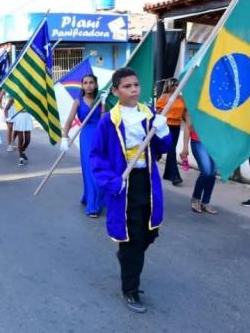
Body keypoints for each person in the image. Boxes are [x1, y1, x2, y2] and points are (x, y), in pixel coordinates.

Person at [89, 67, 170, 313]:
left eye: (136, 85)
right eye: (127, 86)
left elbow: (161, 148)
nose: (134, 89)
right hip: (124, 186)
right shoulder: (108, 121)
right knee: (132, 239)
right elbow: (96, 157)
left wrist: (163, 130)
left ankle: (126, 258)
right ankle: (130, 289)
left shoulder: (148, 114)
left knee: (149, 233)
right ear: (115, 91)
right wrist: (113, 181)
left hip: (147, 182)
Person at [61, 74, 105, 218]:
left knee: (99, 168)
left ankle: (89, 197)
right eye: (85, 83)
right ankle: (92, 206)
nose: (88, 85)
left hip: (100, 136)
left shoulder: (100, 101)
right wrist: (64, 137)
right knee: (89, 169)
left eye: (91, 82)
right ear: (82, 86)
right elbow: (69, 120)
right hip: (86, 136)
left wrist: (103, 104)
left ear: (96, 85)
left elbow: (104, 121)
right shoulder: (77, 101)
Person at [180, 112, 218, 214]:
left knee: (213, 172)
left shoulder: (217, 104)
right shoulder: (194, 105)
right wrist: (185, 148)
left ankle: (205, 202)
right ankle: (196, 198)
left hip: (214, 143)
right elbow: (187, 128)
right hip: (198, 142)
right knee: (206, 171)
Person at [156, 78, 187, 186]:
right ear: (170, 86)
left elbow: (184, 112)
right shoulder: (164, 97)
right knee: (171, 149)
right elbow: (157, 111)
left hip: (177, 126)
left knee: (171, 151)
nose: (177, 87)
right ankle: (175, 176)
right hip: (166, 125)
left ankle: (168, 174)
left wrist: (189, 124)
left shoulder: (181, 98)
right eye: (175, 85)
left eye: (178, 85)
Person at [6, 98, 32, 166]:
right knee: (21, 139)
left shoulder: (27, 95)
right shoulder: (14, 96)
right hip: (19, 117)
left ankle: (22, 151)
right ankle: (20, 158)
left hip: (27, 117)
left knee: (28, 140)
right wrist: (7, 118)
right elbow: (6, 109)